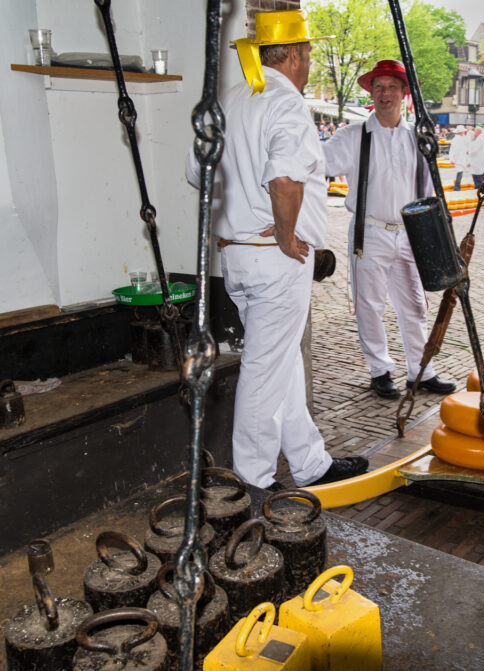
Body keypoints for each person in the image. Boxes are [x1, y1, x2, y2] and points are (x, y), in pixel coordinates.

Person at [186, 10, 366, 489]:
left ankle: (310, 462)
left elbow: (195, 171)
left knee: (280, 364)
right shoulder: (286, 103)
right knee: (264, 375)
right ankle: (254, 481)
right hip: (275, 259)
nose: (309, 64)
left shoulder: (230, 99)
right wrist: (287, 236)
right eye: (308, 54)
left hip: (237, 256)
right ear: (294, 55)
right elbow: (284, 178)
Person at [323, 59, 456, 399]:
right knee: (369, 304)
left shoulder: (417, 138)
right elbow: (318, 163)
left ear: (404, 94)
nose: (385, 94)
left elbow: (427, 189)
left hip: (411, 233)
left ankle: (421, 369)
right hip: (370, 232)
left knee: (414, 303)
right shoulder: (353, 136)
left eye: (392, 87)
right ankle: (380, 369)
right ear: (371, 92)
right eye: (378, 87)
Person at [448, 125, 469, 191]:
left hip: (461, 157)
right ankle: (457, 187)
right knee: (460, 172)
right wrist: (452, 159)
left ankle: (457, 186)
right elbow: (453, 150)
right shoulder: (456, 140)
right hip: (458, 158)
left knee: (460, 171)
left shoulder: (461, 138)